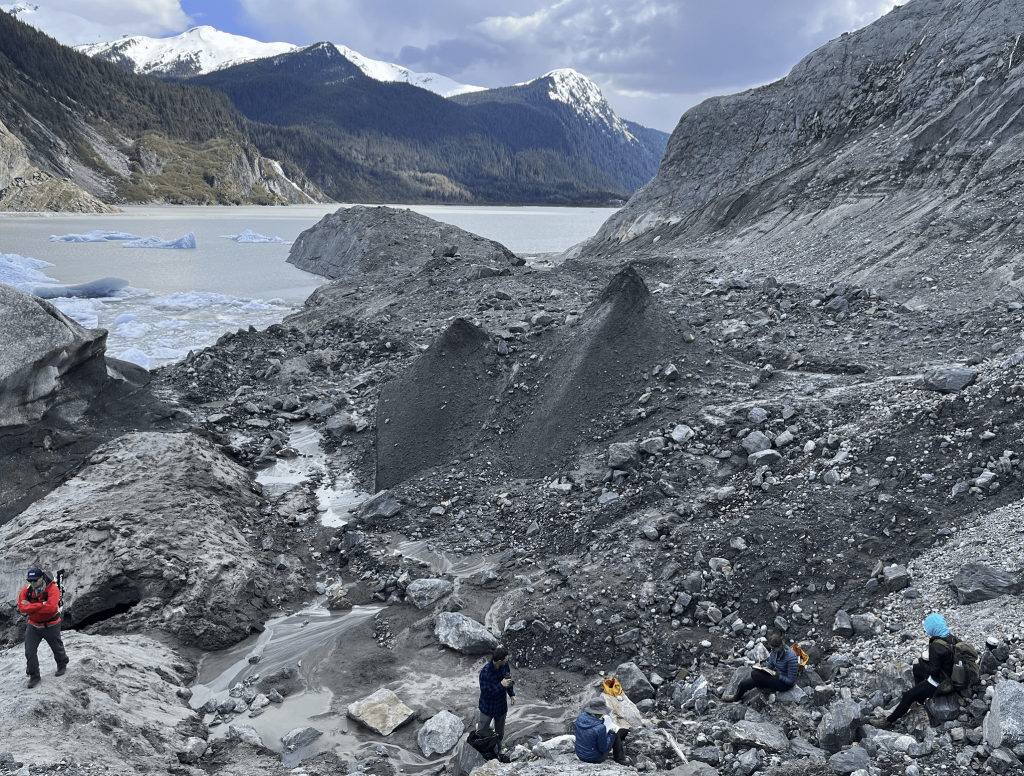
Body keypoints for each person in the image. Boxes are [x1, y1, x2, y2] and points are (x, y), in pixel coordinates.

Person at [875, 614, 957, 728]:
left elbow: (934, 672)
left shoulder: (936, 646)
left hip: (941, 682)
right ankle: (920, 700)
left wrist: (920, 658)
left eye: (927, 628)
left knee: (908, 696)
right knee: (917, 668)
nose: (926, 630)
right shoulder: (951, 637)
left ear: (932, 628)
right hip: (951, 675)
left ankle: (888, 721)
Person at [18, 567, 68, 688]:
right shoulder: (27, 590)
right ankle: (34, 675)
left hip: (51, 625)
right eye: (30, 580)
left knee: (57, 647)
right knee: (29, 651)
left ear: (41, 578)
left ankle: (62, 664)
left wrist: (31, 605)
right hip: (33, 625)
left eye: (35, 580)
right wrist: (41, 604)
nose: (32, 583)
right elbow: (22, 608)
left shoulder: (53, 589)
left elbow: (50, 609)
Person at [724, 631, 799, 701]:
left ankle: (765, 686)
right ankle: (735, 698)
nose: (772, 651)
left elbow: (791, 681)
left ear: (780, 647)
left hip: (784, 684)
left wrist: (777, 675)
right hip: (775, 675)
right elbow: (770, 665)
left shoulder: (791, 657)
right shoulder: (775, 651)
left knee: (755, 674)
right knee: (745, 683)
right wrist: (763, 668)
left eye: (773, 649)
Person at [574, 696, 629, 765]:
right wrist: (612, 733)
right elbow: (603, 748)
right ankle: (620, 759)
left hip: (580, 754)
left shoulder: (580, 717)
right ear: (599, 713)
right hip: (594, 758)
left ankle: (619, 757)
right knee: (615, 733)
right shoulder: (600, 727)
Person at [478, 645, 515, 742]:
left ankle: (497, 751)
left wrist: (512, 694)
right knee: (482, 733)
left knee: (499, 734)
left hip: (501, 707)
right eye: (505, 659)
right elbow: (486, 693)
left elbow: (508, 680)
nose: (507, 661)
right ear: (499, 661)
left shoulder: (505, 665)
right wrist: (500, 685)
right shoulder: (485, 672)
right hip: (487, 708)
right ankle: (481, 751)